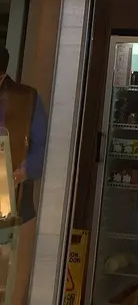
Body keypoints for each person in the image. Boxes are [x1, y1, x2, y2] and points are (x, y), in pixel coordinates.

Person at [0, 47, 47, 304]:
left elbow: (43, 146)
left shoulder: (26, 99)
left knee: (8, 276)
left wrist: (23, 171)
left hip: (11, 196)